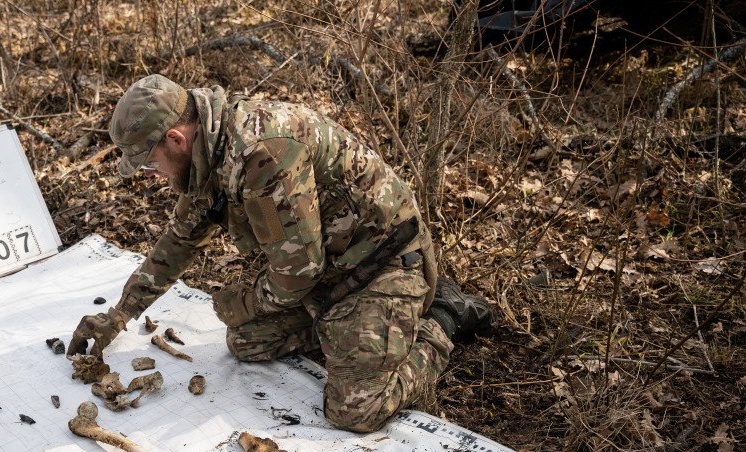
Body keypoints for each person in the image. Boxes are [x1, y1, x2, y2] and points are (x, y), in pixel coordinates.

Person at [69, 74, 492, 433]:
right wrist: (119, 314)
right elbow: (177, 243)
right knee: (246, 341)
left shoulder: (262, 153)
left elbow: (297, 272)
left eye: (150, 163)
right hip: (331, 270)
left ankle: (442, 317)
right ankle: (342, 329)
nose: (154, 174)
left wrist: (246, 301)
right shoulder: (209, 151)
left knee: (355, 410)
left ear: (176, 138)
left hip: (382, 265)